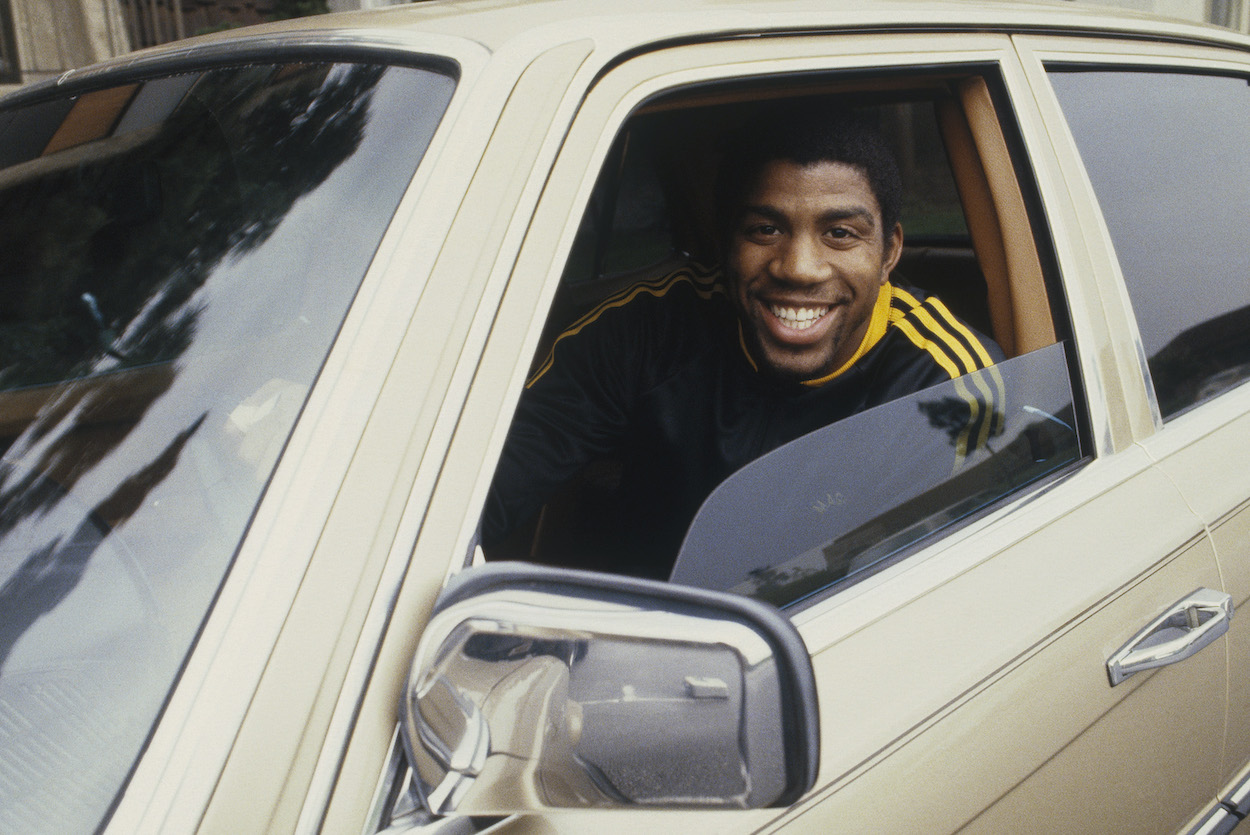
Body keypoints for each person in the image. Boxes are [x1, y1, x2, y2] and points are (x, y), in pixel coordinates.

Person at [482, 102, 1004, 579]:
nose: (799, 268)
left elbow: (916, 600)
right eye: (765, 229)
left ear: (889, 252)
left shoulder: (949, 385)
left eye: (840, 233)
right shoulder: (645, 329)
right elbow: (479, 492)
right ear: (725, 240)